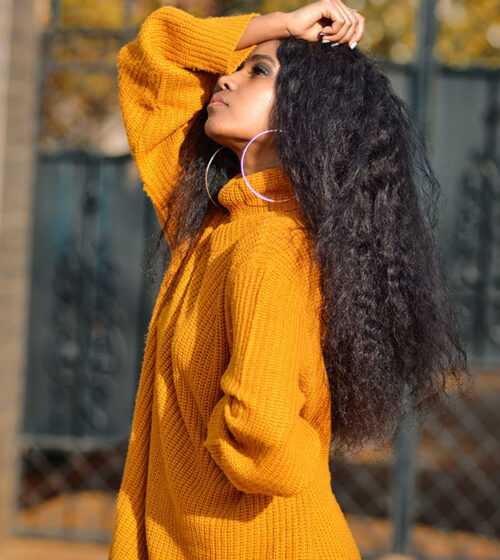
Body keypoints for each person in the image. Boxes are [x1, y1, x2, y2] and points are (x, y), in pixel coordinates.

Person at [109, 1, 470, 558]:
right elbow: (150, 57)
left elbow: (263, 430)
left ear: (305, 116)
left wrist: (210, 463)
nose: (226, 75)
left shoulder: (266, 245)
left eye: (259, 70)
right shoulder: (215, 224)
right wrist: (281, 24)